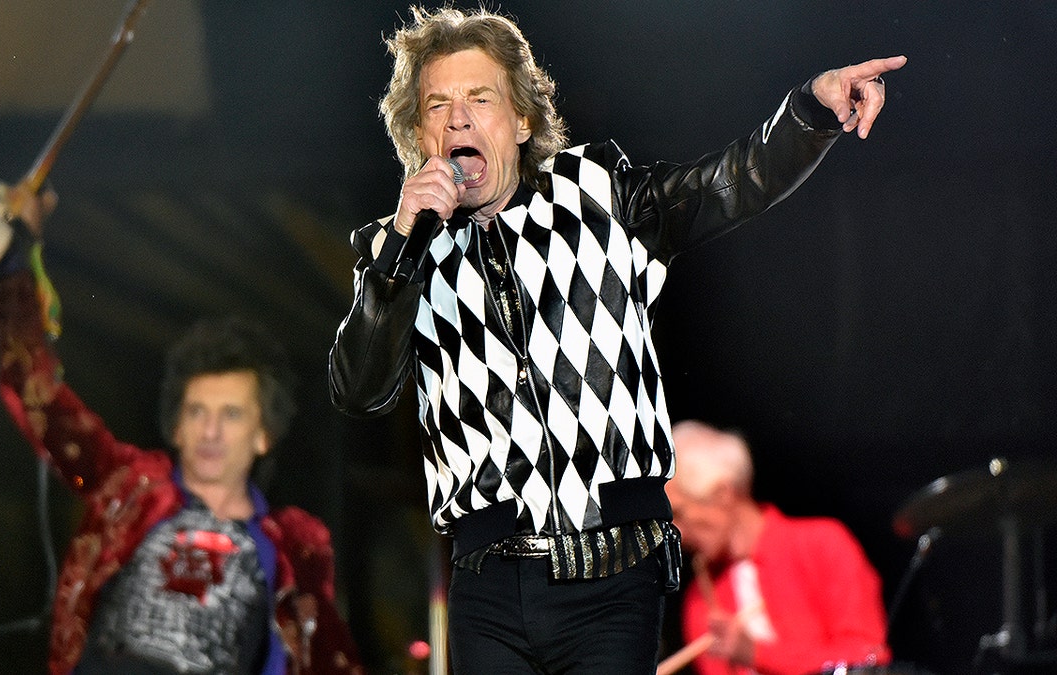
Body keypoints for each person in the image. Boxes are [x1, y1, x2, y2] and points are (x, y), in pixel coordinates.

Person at [327, 5, 904, 674]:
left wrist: (809, 112)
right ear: (419, 132)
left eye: (479, 97)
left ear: (519, 120)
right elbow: (359, 388)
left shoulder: (599, 196)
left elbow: (728, 185)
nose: (457, 117)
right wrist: (399, 252)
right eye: (437, 104)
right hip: (488, 582)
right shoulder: (397, 250)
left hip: (610, 573)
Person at [0, 186, 363, 674]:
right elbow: (37, 396)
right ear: (177, 427)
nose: (210, 430)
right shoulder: (130, 487)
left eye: (231, 414)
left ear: (263, 435)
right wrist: (17, 259)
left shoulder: (293, 548)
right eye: (196, 412)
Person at [666, 420, 891, 675]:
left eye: (678, 513)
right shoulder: (701, 600)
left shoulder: (821, 544)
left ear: (722, 493)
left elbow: (866, 657)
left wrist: (757, 653)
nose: (676, 533)